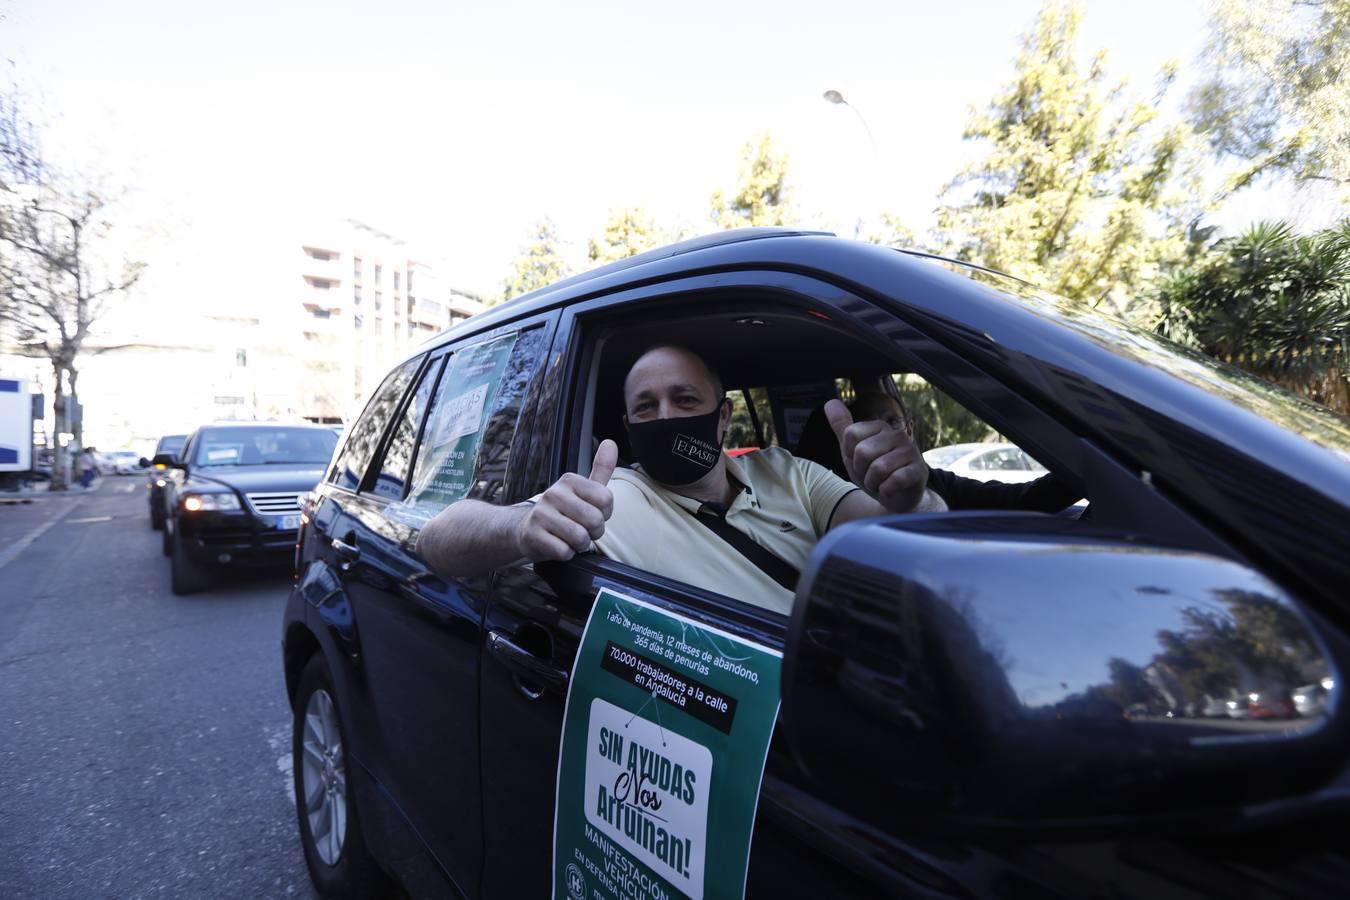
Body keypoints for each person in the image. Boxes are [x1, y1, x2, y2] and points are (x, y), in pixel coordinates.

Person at [416, 345, 947, 614]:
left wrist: (910, 497)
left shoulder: (789, 472)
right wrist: (519, 527)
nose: (666, 417)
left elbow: (896, 542)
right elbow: (437, 539)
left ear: (723, 418)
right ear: (628, 427)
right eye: (646, 408)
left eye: (685, 400)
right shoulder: (610, 502)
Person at [805, 391, 1081, 512]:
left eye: (892, 422)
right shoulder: (827, 494)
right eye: (868, 427)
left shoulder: (936, 481)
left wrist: (1086, 468)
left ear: (909, 429)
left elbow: (1020, 501)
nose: (883, 435)